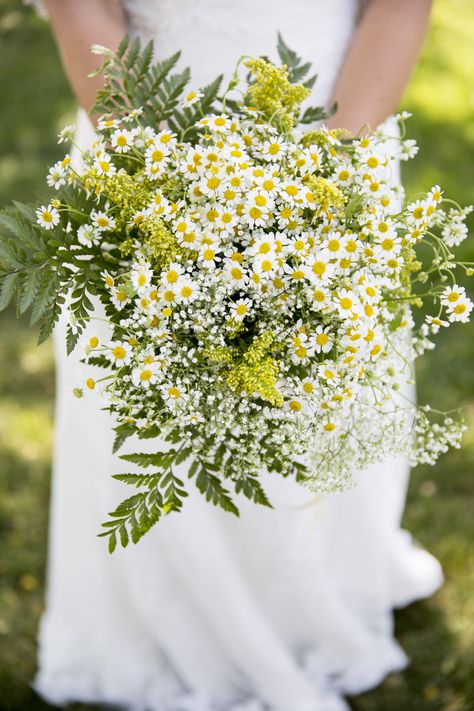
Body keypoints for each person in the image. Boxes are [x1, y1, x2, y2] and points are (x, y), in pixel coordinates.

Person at [31, 1, 440, 709]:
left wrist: (318, 193)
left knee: (321, 410)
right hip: (144, 138)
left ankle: (327, 588)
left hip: (341, 118)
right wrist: (166, 196)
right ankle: (177, 623)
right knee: (162, 420)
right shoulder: (152, 171)